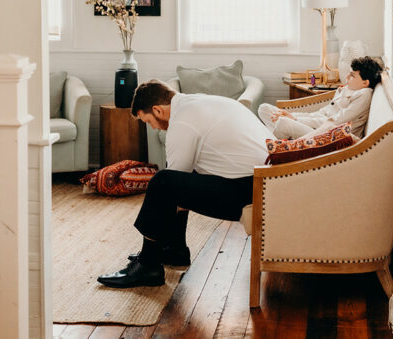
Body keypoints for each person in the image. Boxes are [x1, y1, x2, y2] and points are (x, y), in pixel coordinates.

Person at [96, 79, 274, 288]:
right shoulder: (205, 103)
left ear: (158, 110)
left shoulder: (182, 121)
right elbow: (184, 179)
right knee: (181, 177)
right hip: (268, 183)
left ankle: (148, 265)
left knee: (163, 182)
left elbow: (173, 180)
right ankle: (175, 249)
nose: (154, 128)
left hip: (249, 191)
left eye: (148, 122)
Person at [257, 56, 383, 140]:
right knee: (264, 108)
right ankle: (277, 135)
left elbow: (334, 122)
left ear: (365, 83)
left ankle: (271, 142)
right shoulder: (349, 88)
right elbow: (320, 113)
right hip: (315, 124)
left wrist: (293, 119)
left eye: (352, 76)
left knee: (283, 123)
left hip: (327, 134)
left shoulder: (364, 95)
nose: (347, 78)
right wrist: (292, 115)